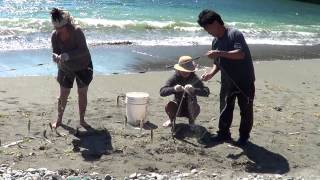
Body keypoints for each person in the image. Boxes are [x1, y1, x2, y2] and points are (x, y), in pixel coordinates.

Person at [198, 9, 255, 146]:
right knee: (225, 108)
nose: (207, 31)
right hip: (227, 81)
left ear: (216, 23)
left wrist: (219, 52)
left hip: (244, 80)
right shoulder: (215, 42)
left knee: (246, 109)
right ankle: (223, 134)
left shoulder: (234, 34)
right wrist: (211, 73)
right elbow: (218, 63)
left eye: (207, 27)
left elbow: (240, 54)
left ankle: (244, 136)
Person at [50, 8, 93, 129]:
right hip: (65, 68)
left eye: (60, 28)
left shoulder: (77, 31)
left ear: (67, 24)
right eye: (56, 28)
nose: (58, 31)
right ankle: (59, 120)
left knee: (82, 93)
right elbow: (55, 51)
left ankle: (82, 120)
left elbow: (83, 50)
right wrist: (55, 56)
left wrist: (68, 55)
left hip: (83, 65)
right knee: (63, 94)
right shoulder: (55, 35)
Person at [160, 56, 210, 127]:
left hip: (191, 108)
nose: (185, 72)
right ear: (178, 70)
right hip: (177, 107)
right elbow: (162, 91)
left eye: (187, 71)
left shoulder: (194, 78)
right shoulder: (174, 78)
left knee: (196, 106)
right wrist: (174, 89)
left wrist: (194, 90)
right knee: (169, 105)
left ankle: (192, 122)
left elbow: (206, 92)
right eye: (183, 70)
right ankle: (171, 120)